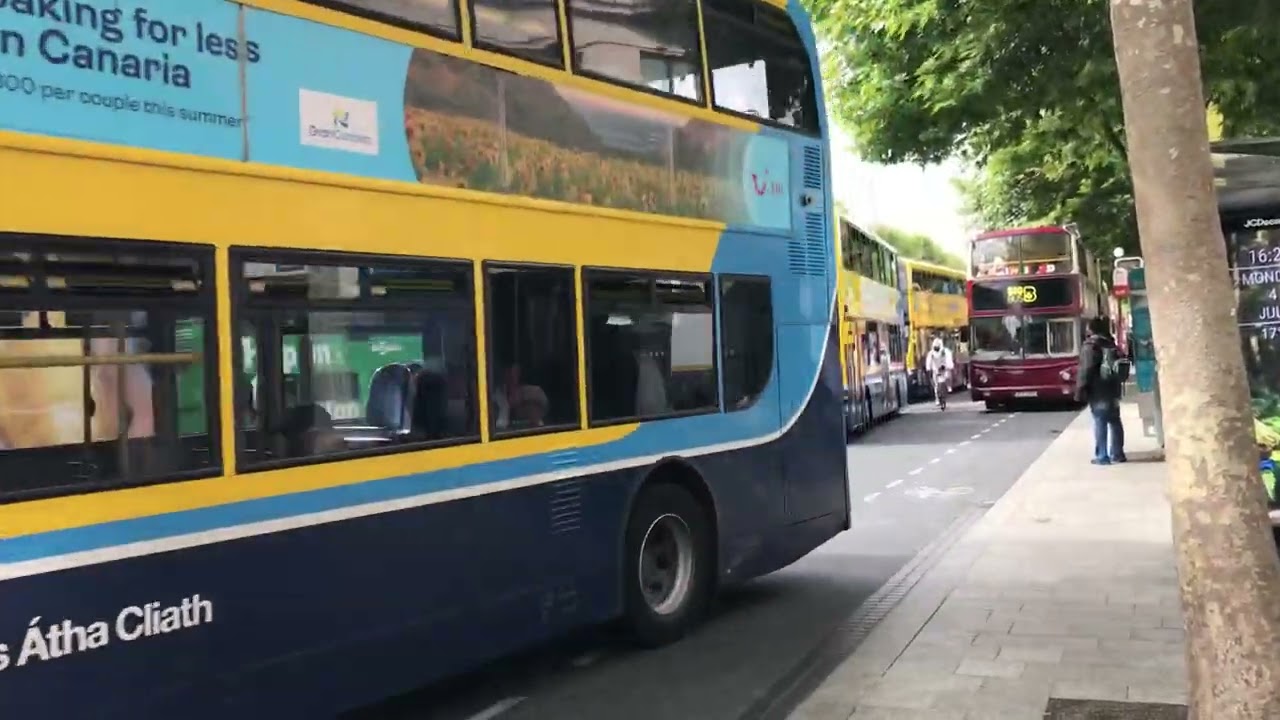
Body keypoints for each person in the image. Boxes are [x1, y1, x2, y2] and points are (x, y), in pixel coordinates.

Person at [1076, 316, 1126, 465]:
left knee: (1100, 421)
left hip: (1098, 390)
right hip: (1113, 388)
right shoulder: (1111, 344)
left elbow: (1086, 369)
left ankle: (1102, 456)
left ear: (1091, 329)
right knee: (1115, 421)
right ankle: (1117, 453)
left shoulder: (1090, 346)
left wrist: (1080, 389)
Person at [924, 337, 953, 409]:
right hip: (935, 370)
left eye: (938, 347)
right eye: (935, 347)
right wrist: (928, 368)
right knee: (936, 385)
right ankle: (937, 398)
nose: (937, 349)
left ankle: (948, 386)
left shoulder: (946, 351)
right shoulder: (931, 353)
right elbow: (928, 362)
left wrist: (948, 366)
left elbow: (949, 360)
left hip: (944, 369)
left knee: (948, 377)